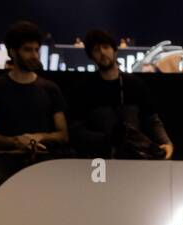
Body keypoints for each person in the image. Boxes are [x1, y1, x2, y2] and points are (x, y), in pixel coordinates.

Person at [0, 21, 69, 183]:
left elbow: (63, 135)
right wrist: (15, 141)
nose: (34, 55)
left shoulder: (50, 88)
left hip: (42, 166)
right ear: (13, 52)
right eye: (28, 50)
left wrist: (39, 137)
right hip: (5, 167)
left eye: (36, 50)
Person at [70, 28, 173, 160]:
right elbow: (76, 130)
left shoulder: (135, 84)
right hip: (98, 160)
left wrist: (166, 143)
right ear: (91, 56)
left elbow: (151, 119)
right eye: (96, 50)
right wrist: (105, 139)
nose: (102, 52)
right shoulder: (84, 88)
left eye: (106, 47)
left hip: (134, 157)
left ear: (114, 50)